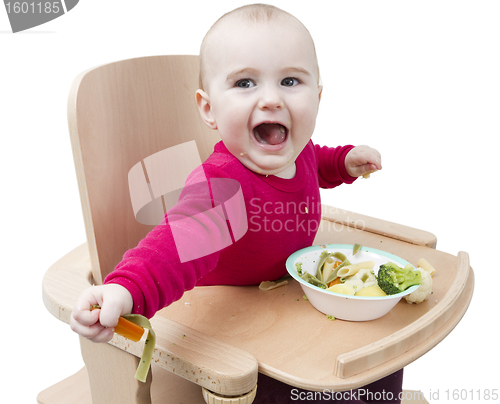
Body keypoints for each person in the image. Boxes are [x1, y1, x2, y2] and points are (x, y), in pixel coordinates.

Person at [71, 4, 401, 403]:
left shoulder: (297, 151)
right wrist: (127, 289)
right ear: (209, 109)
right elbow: (176, 246)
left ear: (317, 97)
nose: (271, 99)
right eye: (245, 83)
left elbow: (316, 163)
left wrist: (344, 162)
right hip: (229, 319)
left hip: (284, 298)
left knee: (383, 357)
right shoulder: (222, 186)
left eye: (290, 80)